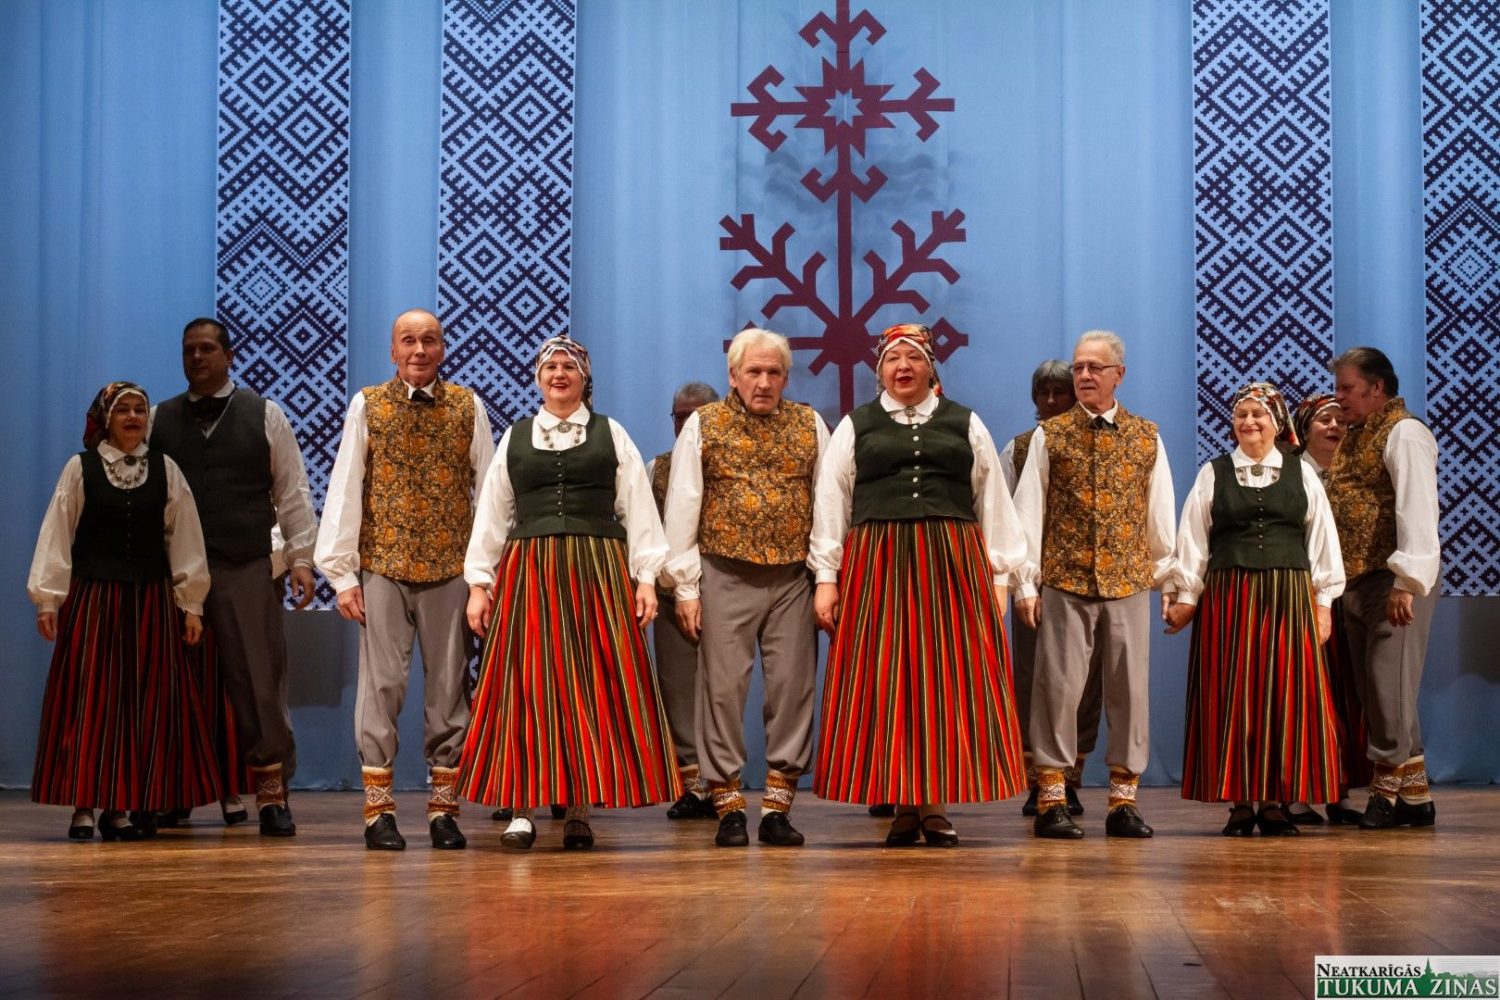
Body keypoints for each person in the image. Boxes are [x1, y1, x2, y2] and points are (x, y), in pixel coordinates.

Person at [810, 324, 1028, 847]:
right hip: (877, 564)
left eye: (913, 358)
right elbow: (832, 501)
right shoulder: (856, 426)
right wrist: (826, 578)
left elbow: (991, 500)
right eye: (893, 359)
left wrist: (999, 576)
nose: (902, 367)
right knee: (887, 680)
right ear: (880, 369)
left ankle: (933, 805)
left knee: (943, 681)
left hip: (950, 563)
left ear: (931, 367)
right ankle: (903, 805)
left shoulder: (964, 422)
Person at [459, 336, 680, 850]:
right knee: (527, 685)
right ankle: (521, 808)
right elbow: (492, 514)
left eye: (569, 367)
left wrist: (647, 577)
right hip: (530, 571)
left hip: (596, 571)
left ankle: (579, 808)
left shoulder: (611, 434)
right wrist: (479, 584)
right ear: (539, 378)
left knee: (588, 684)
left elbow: (637, 509)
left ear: (584, 377)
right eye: (550, 367)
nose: (559, 374)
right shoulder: (516, 438)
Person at [316, 308, 495, 850]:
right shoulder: (368, 404)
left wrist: (484, 575)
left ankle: (443, 811)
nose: (419, 350)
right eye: (409, 341)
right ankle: (379, 813)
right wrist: (342, 575)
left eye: (429, 340)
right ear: (392, 351)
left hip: (450, 569)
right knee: (382, 686)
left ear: (443, 349)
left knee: (448, 688)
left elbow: (490, 491)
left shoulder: (467, 405)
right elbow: (347, 485)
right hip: (384, 566)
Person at [27, 382, 218, 841]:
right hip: (94, 600)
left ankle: (119, 808)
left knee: (138, 704)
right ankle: (83, 806)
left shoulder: (165, 469)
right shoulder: (81, 468)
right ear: (105, 418)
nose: (133, 417)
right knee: (90, 699)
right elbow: (58, 533)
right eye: (123, 410)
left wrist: (191, 605)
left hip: (149, 601)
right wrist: (48, 599)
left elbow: (185, 538)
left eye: (139, 410)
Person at [150, 317, 318, 836]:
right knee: (174, 682)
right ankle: (174, 791)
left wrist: (301, 559)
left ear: (228, 356)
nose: (197, 358)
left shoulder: (265, 414)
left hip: (244, 563)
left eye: (206, 349)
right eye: (189, 350)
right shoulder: (158, 418)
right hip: (174, 571)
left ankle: (271, 794)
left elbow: (292, 491)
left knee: (257, 680)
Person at [663, 327, 829, 849]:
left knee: (792, 690)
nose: (763, 382)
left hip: (792, 577)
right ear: (733, 376)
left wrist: (827, 575)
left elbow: (827, 504)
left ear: (786, 377)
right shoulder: (705, 425)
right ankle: (729, 806)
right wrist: (686, 587)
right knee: (722, 690)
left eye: (773, 372)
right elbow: (684, 503)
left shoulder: (809, 424)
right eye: (753, 372)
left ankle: (777, 809)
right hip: (724, 572)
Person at [1013, 330, 1175, 839]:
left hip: (1127, 581)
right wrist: (1026, 583)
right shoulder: (1051, 435)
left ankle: (1124, 802)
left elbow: (1159, 513)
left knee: (1129, 691)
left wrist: (1169, 580)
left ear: (1118, 375)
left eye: (1094, 368)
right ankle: (1052, 799)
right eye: (1079, 367)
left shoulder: (1145, 435)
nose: (1084, 375)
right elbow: (1028, 513)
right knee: (1057, 691)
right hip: (1066, 580)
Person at [1163, 382, 1345, 835]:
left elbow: (1322, 540)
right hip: (1229, 596)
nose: (1248, 422)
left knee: (1284, 695)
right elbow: (1193, 540)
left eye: (1257, 415)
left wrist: (1323, 604)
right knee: (1234, 694)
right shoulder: (1214, 473)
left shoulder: (1301, 474)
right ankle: (1241, 802)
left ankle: (1275, 802)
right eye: (1241, 415)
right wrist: (1186, 597)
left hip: (1289, 596)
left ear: (1276, 422)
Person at [1323, 347, 1442, 829]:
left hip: (1392, 581)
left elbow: (1417, 508)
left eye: (1347, 388)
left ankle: (1385, 792)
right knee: (1379, 691)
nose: (1339, 397)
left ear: (1377, 388)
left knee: (1387, 687)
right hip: (1357, 580)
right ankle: (1416, 797)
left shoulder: (1404, 433)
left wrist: (1406, 582)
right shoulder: (1357, 435)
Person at [1001, 359, 1100, 818]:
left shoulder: (1099, 442)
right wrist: (1020, 581)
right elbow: (1005, 520)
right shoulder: (1018, 450)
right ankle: (1038, 780)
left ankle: (1071, 778)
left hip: (1089, 582)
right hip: (1036, 585)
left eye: (1061, 392)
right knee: (1033, 679)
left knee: (1086, 681)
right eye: (1044, 392)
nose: (1052, 400)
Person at [1286, 393, 1368, 825]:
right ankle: (1295, 793)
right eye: (1324, 420)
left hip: (1349, 596)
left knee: (1344, 696)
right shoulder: (1291, 476)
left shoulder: (1356, 474)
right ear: (1304, 429)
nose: (1335, 427)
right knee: (1305, 696)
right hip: (1302, 596)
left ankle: (1339, 791)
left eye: (1341, 420)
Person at [649, 381, 721, 820]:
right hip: (671, 594)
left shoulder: (731, 461)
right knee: (677, 690)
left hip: (727, 591)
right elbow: (643, 529)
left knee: (723, 691)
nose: (688, 423)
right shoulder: (655, 468)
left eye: (697, 415)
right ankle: (693, 785)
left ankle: (723, 783)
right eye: (680, 416)